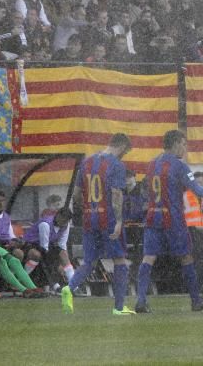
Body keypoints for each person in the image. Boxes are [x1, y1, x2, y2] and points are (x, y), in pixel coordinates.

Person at [134, 130, 203, 313]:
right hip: (173, 219)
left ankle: (140, 301)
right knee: (186, 257)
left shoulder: (153, 163)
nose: (185, 149)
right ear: (177, 143)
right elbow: (198, 189)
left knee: (148, 257)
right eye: (184, 144)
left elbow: (147, 190)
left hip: (153, 217)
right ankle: (196, 301)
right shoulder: (179, 166)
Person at [61, 133, 133, 315]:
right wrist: (118, 221)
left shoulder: (87, 163)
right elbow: (116, 194)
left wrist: (88, 207)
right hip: (107, 217)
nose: (124, 155)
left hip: (89, 218)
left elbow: (76, 194)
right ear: (122, 146)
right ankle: (118, 307)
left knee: (90, 260)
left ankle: (69, 288)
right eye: (125, 152)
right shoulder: (116, 164)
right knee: (120, 259)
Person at [23, 208, 74, 293]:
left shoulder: (66, 225)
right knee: (39, 256)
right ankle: (23, 279)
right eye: (62, 219)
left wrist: (62, 262)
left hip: (46, 246)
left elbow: (62, 245)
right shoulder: (45, 224)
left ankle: (73, 285)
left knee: (63, 254)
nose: (63, 223)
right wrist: (56, 263)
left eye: (65, 221)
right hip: (30, 244)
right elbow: (44, 248)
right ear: (57, 215)